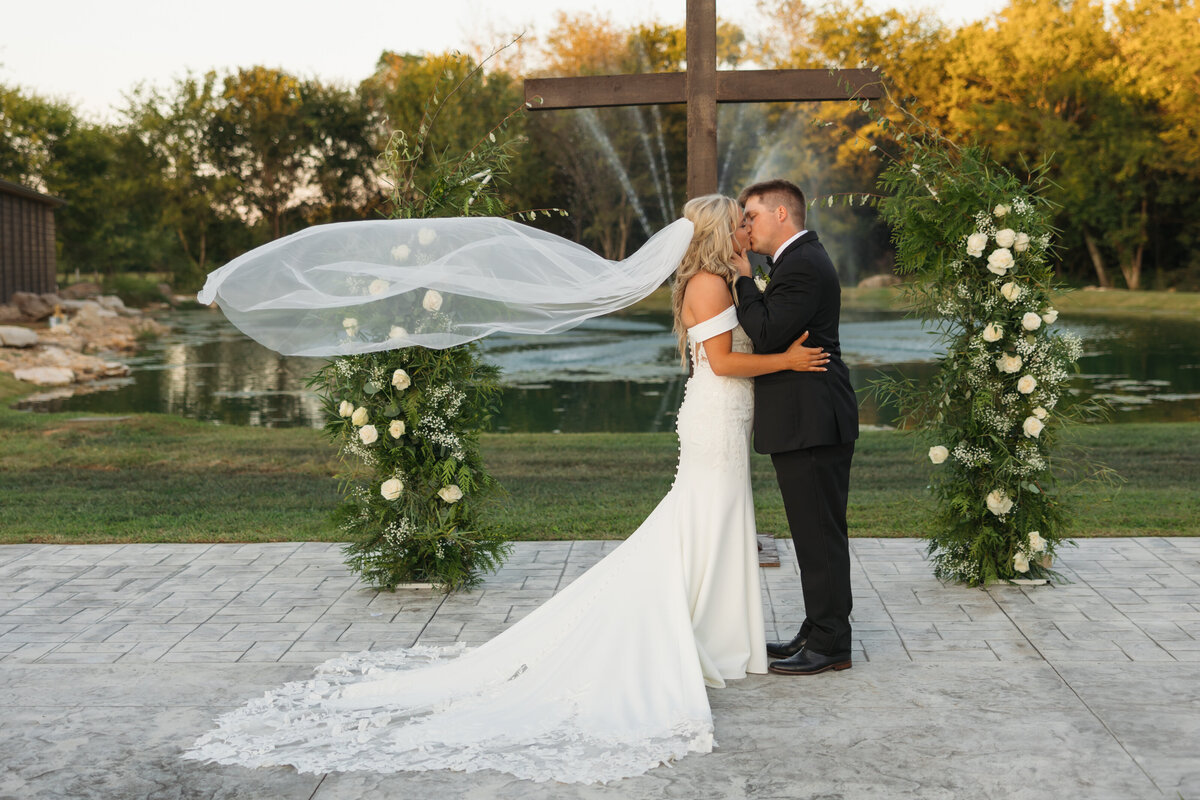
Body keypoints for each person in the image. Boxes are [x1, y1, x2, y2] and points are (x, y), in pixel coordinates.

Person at [184, 194, 828, 784]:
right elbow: (722, 362)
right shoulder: (712, 282)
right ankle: (698, 635)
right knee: (700, 518)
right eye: (741, 221)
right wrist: (788, 361)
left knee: (710, 520)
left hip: (726, 413)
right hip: (718, 411)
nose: (750, 225)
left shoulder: (722, 278)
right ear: (720, 231)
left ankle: (715, 633)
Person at [731, 179, 860, 676]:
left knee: (819, 534)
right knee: (814, 533)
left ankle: (830, 643)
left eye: (752, 216)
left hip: (813, 418)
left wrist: (744, 279)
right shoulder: (795, 261)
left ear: (782, 214)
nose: (746, 227)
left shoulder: (803, 264)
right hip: (808, 416)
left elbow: (765, 333)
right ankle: (818, 628)